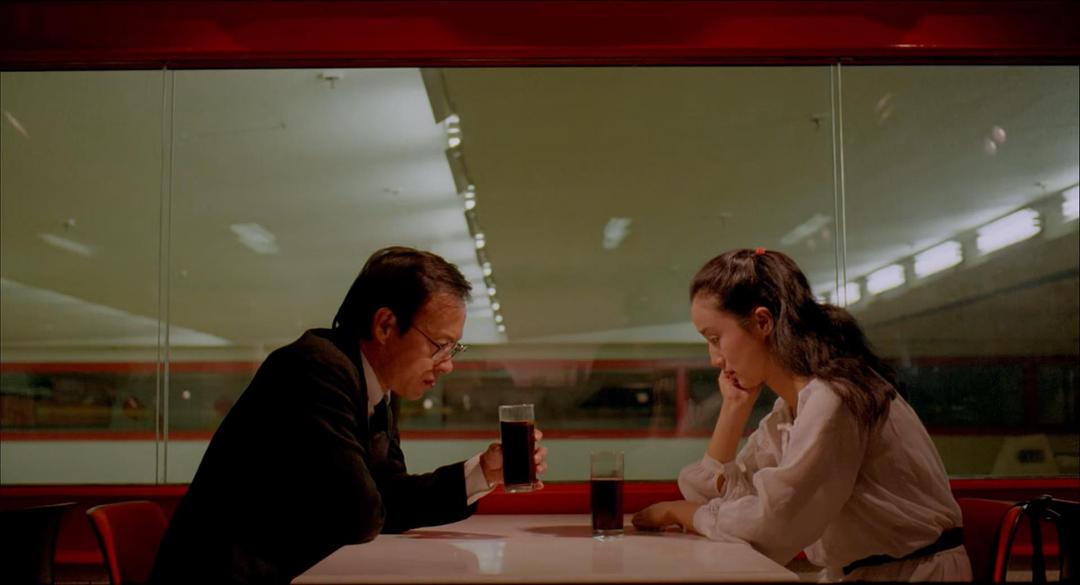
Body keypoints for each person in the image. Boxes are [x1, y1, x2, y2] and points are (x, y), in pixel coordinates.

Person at [151, 246, 547, 584]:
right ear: (386, 325)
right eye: (439, 345)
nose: (447, 365)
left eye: (453, 349)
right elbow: (360, 514)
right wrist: (381, 501)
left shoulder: (376, 385)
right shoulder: (315, 368)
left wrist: (483, 473)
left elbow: (387, 498)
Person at [632, 248, 971, 582]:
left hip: (914, 573)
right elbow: (716, 499)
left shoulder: (834, 396)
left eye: (715, 338)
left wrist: (684, 514)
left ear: (762, 322)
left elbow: (774, 525)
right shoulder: (791, 410)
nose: (714, 359)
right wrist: (734, 408)